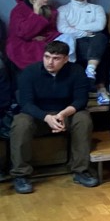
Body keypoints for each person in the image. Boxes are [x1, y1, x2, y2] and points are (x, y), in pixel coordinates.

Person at [10, 41, 99, 194]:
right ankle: (20, 174)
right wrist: (46, 117)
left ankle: (80, 170)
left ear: (66, 59)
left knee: (83, 119)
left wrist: (62, 114)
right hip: (38, 115)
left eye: (56, 58)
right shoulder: (30, 72)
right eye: (47, 57)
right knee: (20, 122)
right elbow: (26, 103)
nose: (50, 62)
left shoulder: (76, 71)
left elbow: (80, 100)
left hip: (65, 113)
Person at [57, 0, 110, 105]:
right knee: (99, 50)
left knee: (102, 38)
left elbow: (100, 26)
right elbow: (62, 28)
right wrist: (84, 33)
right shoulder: (63, 10)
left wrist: (75, 28)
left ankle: (92, 72)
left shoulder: (96, 8)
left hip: (95, 41)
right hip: (75, 43)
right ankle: (99, 87)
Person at [7, 0, 76, 70]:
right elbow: (22, 32)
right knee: (39, 49)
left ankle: (68, 64)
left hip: (45, 38)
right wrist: (35, 13)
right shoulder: (19, 9)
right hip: (23, 41)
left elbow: (52, 30)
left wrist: (46, 36)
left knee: (68, 37)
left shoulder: (50, 10)